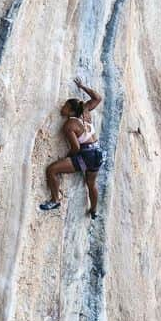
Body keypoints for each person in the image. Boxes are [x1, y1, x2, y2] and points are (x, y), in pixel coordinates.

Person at [39, 78, 104, 217]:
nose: (62, 108)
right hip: (98, 153)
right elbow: (97, 98)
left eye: (65, 106)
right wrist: (82, 87)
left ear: (71, 111)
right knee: (91, 184)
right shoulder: (85, 112)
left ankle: (55, 200)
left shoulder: (69, 125)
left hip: (87, 155)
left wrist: (66, 158)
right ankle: (94, 210)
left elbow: (76, 148)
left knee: (52, 170)